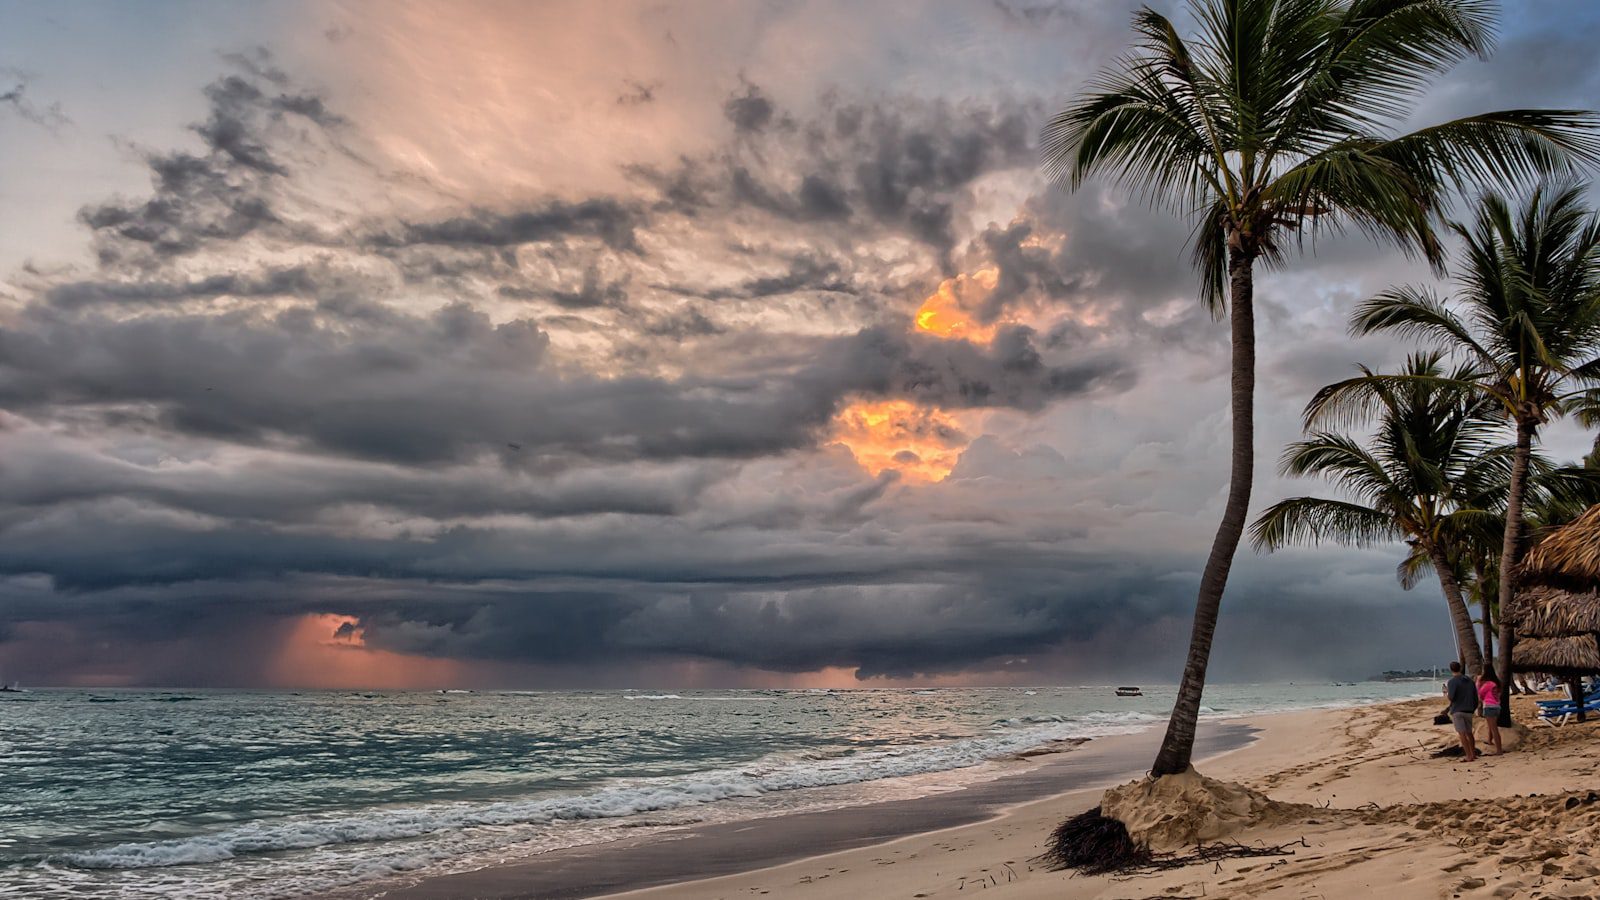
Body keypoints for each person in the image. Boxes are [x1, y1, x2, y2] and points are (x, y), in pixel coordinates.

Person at [1444, 662, 1478, 761]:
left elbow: (1451, 697)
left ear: (1451, 670)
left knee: (1462, 733)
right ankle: (1473, 754)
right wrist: (1473, 708)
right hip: (1469, 709)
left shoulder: (1452, 682)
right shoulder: (1469, 681)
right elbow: (1475, 697)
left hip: (1458, 710)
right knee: (1469, 733)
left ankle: (1469, 756)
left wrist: (1447, 694)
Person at [1477, 667, 1504, 756]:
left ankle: (1499, 750)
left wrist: (1478, 681)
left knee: (1494, 728)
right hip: (1497, 706)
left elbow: (1480, 693)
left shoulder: (1488, 684)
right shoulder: (1497, 683)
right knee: (1491, 725)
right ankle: (1489, 740)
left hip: (1489, 706)